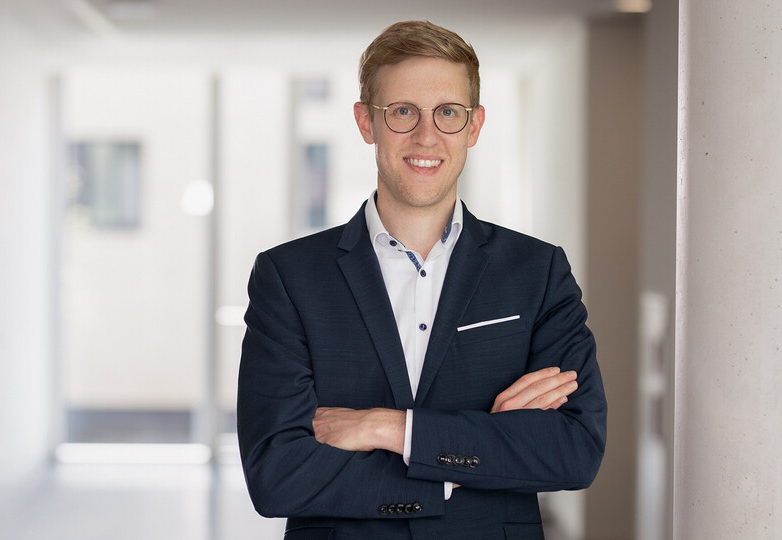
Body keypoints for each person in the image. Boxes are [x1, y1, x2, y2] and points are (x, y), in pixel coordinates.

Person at [237, 20, 606, 540]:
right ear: (367, 122)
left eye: (448, 113)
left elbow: (573, 450)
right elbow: (277, 475)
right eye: (402, 112)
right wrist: (473, 458)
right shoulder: (289, 277)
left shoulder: (537, 271)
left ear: (474, 126)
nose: (426, 136)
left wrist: (389, 428)